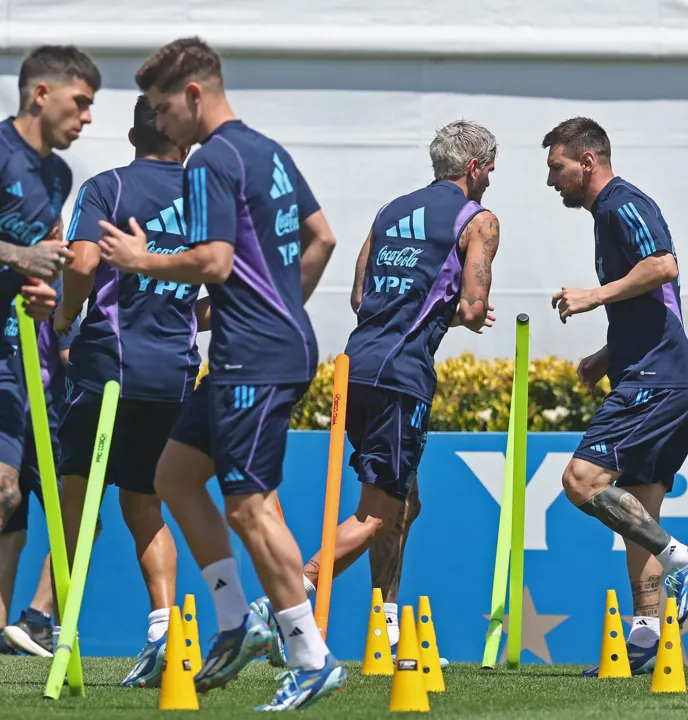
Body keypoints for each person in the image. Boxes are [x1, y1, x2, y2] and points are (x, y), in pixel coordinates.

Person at [97, 37, 341, 712]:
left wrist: (142, 262)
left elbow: (215, 261)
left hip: (252, 356)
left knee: (249, 504)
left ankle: (309, 655)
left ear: (195, 95)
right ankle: (237, 621)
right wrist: (277, 298)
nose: (162, 123)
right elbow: (322, 237)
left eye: (163, 108)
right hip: (264, 342)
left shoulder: (209, 159)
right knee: (173, 475)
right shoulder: (268, 149)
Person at [251, 120, 499, 670]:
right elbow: (474, 308)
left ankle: (385, 631)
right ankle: (282, 603)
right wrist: (455, 311)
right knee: (378, 512)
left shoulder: (390, 211)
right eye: (491, 173)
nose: (490, 185)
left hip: (354, 366)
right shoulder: (478, 220)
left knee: (403, 504)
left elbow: (361, 295)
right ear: (476, 168)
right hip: (401, 374)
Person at [540, 117, 688, 676]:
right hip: (656, 372)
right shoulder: (607, 214)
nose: (552, 181)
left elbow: (663, 266)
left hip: (658, 379)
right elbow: (655, 302)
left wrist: (593, 296)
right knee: (638, 510)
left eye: (557, 168)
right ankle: (645, 640)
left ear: (587, 161)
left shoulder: (620, 203)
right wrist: (606, 356)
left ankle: (684, 560)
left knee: (580, 482)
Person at [52, 94, 203, 688]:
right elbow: (227, 281)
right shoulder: (207, 199)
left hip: (108, 367)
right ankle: (164, 631)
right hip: (173, 375)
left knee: (73, 494)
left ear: (135, 133)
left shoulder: (108, 185)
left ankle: (56, 627)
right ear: (183, 138)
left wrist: (65, 318)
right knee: (143, 500)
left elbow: (83, 263)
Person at [0, 45, 100, 535]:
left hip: (10, 356)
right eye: (79, 102)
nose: (86, 117)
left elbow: (37, 271)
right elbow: (24, 254)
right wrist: (20, 256)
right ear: (41, 94)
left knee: (6, 494)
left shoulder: (58, 175)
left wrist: (42, 298)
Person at [0, 281, 79, 657]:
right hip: (45, 421)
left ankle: (15, 630)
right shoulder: (59, 281)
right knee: (80, 523)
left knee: (9, 532)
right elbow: (69, 355)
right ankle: (37, 619)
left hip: (12, 418)